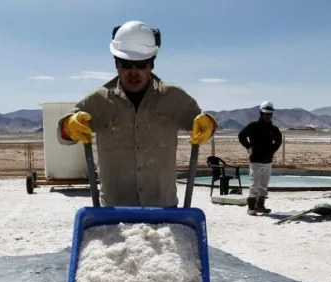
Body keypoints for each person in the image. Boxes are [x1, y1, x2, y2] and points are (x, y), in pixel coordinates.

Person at [57, 20, 217, 207]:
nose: (133, 72)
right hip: (114, 212)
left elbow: (203, 125)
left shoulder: (174, 98)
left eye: (141, 64)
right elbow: (63, 137)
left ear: (152, 64)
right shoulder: (98, 100)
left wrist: (209, 124)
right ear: (116, 63)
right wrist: (68, 126)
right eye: (126, 64)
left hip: (164, 211)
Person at [238, 101, 283, 215]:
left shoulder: (274, 129)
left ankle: (260, 206)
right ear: (261, 113)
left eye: (269, 114)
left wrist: (272, 150)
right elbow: (241, 136)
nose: (267, 116)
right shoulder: (253, 126)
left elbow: (279, 140)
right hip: (256, 160)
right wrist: (249, 147)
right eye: (265, 114)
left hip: (268, 161)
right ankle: (251, 207)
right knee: (254, 184)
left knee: (264, 185)